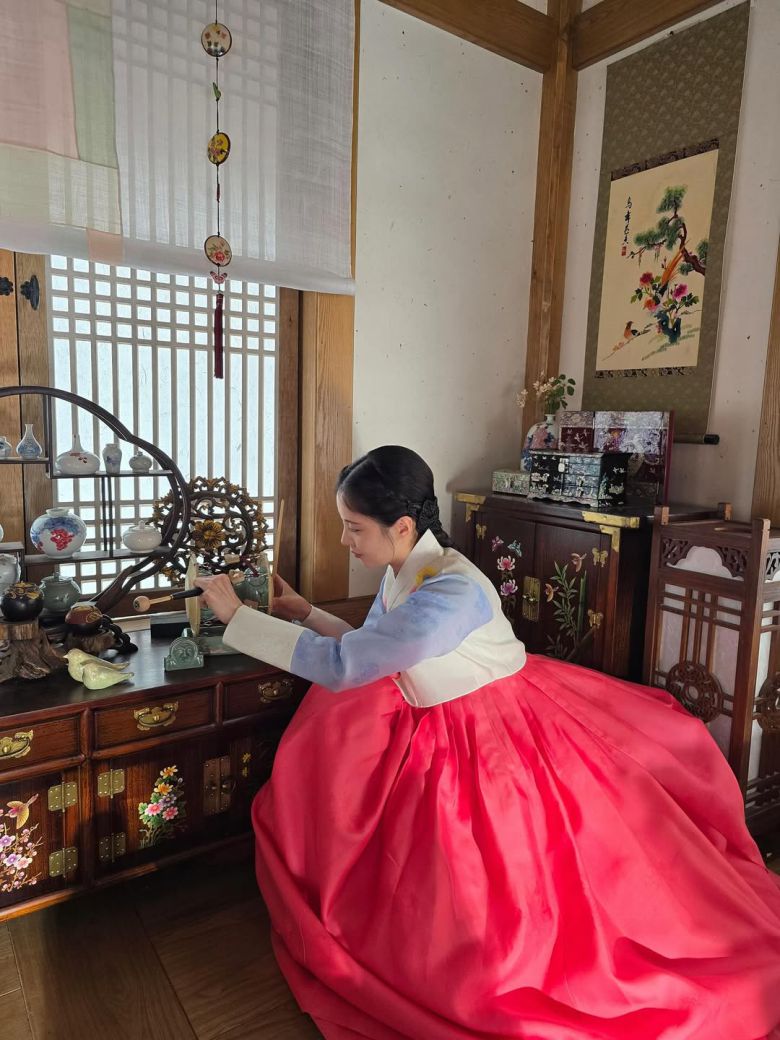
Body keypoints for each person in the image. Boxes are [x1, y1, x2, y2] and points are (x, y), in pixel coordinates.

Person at [198, 445, 780, 1040]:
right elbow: (372, 646)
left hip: (491, 730)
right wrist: (304, 611)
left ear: (402, 525)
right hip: (448, 722)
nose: (345, 540)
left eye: (354, 527)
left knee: (513, 894)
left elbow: (350, 666)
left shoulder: (453, 591)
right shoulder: (410, 566)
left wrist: (239, 618)